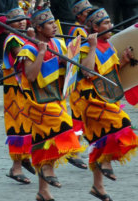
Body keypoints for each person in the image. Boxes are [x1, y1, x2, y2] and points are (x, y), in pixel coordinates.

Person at [17, 7, 84, 200]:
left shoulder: (59, 43)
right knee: (63, 125)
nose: (54, 26)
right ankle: (48, 169)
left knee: (44, 143)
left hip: (56, 97)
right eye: (49, 24)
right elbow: (30, 76)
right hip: (38, 102)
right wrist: (41, 53)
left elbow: (70, 69)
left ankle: (43, 191)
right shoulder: (28, 49)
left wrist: (67, 62)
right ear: (38, 28)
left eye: (54, 22)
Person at [78, 8, 138, 200]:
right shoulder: (84, 48)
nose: (110, 26)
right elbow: (87, 72)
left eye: (110, 22)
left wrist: (124, 61)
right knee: (122, 123)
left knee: (99, 142)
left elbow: (109, 75)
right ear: (95, 28)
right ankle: (106, 164)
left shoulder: (111, 47)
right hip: (90, 101)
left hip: (105, 97)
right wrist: (93, 45)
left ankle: (98, 187)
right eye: (105, 23)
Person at [1, 7, 36, 185]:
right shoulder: (13, 39)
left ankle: (25, 157)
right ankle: (16, 167)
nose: (22, 22)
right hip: (14, 90)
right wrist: (33, 40)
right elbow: (22, 56)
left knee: (29, 124)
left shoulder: (23, 37)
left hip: (26, 88)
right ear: (9, 26)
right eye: (17, 21)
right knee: (18, 127)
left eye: (23, 19)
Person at [65, 0, 94, 170]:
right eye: (87, 12)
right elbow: (77, 56)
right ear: (79, 16)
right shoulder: (77, 30)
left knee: (87, 116)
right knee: (78, 116)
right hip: (78, 81)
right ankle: (72, 151)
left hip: (86, 81)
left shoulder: (86, 30)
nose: (89, 15)